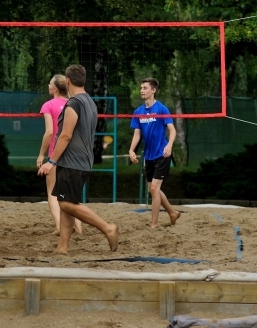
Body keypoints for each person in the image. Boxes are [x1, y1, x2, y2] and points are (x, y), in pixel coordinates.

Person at [38, 64, 119, 254]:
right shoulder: (90, 101)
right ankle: (62, 247)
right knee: (66, 203)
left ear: (67, 81)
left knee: (66, 203)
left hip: (72, 162)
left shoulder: (73, 104)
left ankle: (108, 228)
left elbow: (65, 135)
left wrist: (51, 161)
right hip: (83, 160)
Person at [128, 78, 180, 228]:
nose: (142, 90)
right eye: (141, 88)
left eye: (145, 88)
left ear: (153, 90)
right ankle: (172, 213)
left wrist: (169, 145)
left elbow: (172, 130)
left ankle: (154, 224)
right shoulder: (138, 112)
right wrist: (131, 150)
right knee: (153, 189)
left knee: (154, 189)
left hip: (162, 153)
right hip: (148, 155)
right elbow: (137, 134)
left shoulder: (162, 109)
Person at [36, 75, 82, 236]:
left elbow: (49, 132)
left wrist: (41, 155)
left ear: (55, 88)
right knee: (71, 193)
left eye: (50, 84)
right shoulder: (74, 104)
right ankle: (79, 228)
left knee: (52, 192)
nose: (48, 86)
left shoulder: (49, 105)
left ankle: (59, 227)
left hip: (56, 153)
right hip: (73, 154)